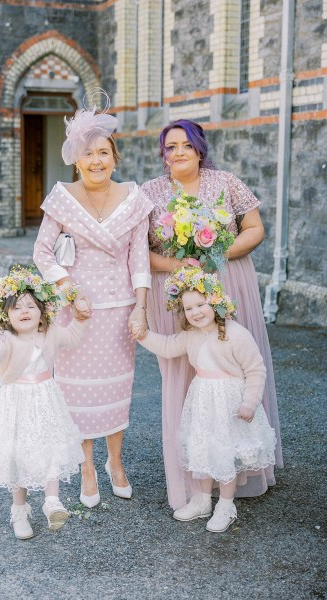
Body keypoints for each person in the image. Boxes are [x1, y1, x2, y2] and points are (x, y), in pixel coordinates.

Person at [141, 119, 283, 510]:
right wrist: (176, 265)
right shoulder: (149, 192)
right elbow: (136, 250)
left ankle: (241, 467)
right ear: (163, 153)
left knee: (230, 367)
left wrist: (216, 256)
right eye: (171, 146)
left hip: (227, 280)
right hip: (174, 291)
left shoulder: (226, 182)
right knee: (187, 373)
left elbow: (254, 229)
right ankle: (195, 477)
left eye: (186, 144)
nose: (179, 152)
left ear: (200, 148)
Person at [33, 101, 152, 509]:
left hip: (119, 310)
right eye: (89, 153)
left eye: (104, 152)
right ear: (76, 161)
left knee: (117, 390)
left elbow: (138, 258)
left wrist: (141, 307)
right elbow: (43, 253)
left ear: (115, 158)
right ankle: (86, 466)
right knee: (78, 396)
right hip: (77, 312)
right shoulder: (62, 198)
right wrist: (69, 289)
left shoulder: (135, 198)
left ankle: (115, 463)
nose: (97, 160)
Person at [139, 267, 277, 532]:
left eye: (201, 304)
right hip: (203, 401)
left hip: (230, 404)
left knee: (225, 453)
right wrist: (144, 335)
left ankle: (226, 505)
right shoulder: (191, 335)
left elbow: (255, 369)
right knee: (203, 450)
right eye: (189, 309)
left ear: (215, 301)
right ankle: (202, 500)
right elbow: (168, 347)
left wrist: (249, 402)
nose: (196, 312)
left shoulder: (235, 333)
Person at [0, 266, 89, 540]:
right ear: (5, 316)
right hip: (16, 402)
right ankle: (20, 510)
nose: (25, 311)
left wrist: (81, 318)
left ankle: (51, 501)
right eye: (17, 308)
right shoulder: (5, 338)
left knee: (51, 445)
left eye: (31, 305)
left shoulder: (51, 332)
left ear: (42, 310)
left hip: (46, 398)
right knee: (18, 454)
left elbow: (73, 337)